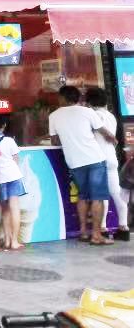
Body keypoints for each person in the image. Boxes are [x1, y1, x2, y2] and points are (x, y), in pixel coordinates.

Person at [49, 85, 118, 245]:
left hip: (74, 162)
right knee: (97, 198)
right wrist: (114, 140)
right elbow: (103, 131)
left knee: (82, 195)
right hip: (94, 159)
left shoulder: (53, 116)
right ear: (77, 98)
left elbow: (54, 141)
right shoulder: (87, 112)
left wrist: (69, 138)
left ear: (62, 98)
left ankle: (83, 232)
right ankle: (96, 235)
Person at [85, 87, 130, 241]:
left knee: (100, 195)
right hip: (111, 158)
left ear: (89, 101)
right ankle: (123, 227)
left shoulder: (92, 115)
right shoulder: (111, 116)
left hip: (97, 159)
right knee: (116, 192)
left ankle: (103, 228)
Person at [0, 116, 26, 251]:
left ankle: (7, 241)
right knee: (15, 208)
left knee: (5, 209)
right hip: (12, 176)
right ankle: (14, 242)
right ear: (4, 125)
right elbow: (16, 159)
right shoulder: (9, 140)